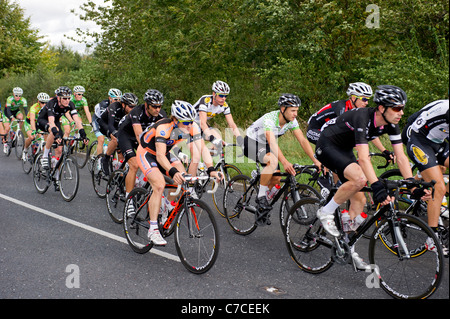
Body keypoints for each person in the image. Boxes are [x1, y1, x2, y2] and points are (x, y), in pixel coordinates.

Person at [314, 85, 430, 269]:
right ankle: (326, 211)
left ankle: (346, 246)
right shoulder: (362, 117)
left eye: (402, 108)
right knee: (360, 179)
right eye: (397, 108)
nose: (401, 113)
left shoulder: (391, 123)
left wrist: (412, 185)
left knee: (359, 201)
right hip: (327, 144)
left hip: (344, 150)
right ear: (382, 108)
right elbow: (363, 158)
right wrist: (376, 186)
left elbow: (400, 156)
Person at [136, 100, 223, 245]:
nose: (188, 126)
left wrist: (212, 170)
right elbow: (159, 156)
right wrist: (173, 171)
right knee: (159, 184)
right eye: (185, 122)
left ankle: (168, 206)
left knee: (185, 178)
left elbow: (202, 149)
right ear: (175, 119)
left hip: (166, 153)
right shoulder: (164, 127)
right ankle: (153, 229)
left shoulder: (192, 127)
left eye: (190, 122)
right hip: (147, 153)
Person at [243, 93, 322, 225]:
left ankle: (263, 193)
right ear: (283, 109)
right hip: (251, 142)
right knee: (272, 161)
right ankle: (261, 196)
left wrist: (316, 160)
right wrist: (285, 162)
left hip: (265, 144)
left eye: (297, 110)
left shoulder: (292, 122)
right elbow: (273, 144)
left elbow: (302, 140)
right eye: (293, 110)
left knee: (276, 178)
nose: (295, 114)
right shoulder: (270, 119)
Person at [402, 99, 449, 255]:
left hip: (438, 141)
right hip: (418, 140)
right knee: (439, 186)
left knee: (440, 186)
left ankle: (434, 192)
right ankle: (432, 238)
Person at [117, 89, 167, 199]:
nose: (157, 109)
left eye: (159, 106)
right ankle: (128, 200)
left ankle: (139, 183)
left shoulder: (161, 114)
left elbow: (164, 135)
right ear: (146, 104)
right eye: (154, 106)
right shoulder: (136, 112)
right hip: (126, 135)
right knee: (134, 164)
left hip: (143, 137)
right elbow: (139, 137)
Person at [37, 86, 89, 169]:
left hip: (55, 120)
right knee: (54, 130)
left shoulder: (70, 104)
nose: (67, 100)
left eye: (68, 98)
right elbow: (51, 122)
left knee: (60, 150)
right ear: (58, 98)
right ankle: (45, 155)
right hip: (43, 120)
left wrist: (83, 134)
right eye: (64, 98)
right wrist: (56, 133)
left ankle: (57, 177)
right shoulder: (51, 103)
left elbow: (77, 120)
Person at [193, 80, 244, 151]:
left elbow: (232, 124)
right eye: (221, 95)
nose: (223, 98)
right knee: (213, 141)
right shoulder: (205, 100)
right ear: (214, 94)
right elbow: (203, 123)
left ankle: (206, 158)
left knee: (219, 143)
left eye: (226, 96)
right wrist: (212, 138)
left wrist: (239, 138)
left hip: (200, 125)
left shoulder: (224, 106)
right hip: (189, 123)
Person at [99, 92, 139, 175]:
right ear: (123, 105)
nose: (133, 109)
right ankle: (105, 159)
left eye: (134, 106)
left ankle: (120, 174)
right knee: (116, 139)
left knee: (121, 149)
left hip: (118, 125)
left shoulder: (133, 113)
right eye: (131, 106)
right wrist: (116, 135)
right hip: (105, 124)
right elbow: (110, 125)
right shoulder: (114, 107)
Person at [92, 88, 122, 156]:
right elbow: (104, 120)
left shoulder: (119, 106)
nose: (118, 101)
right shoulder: (103, 105)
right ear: (110, 98)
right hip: (98, 120)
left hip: (108, 122)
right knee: (101, 139)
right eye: (115, 99)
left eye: (119, 99)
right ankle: (99, 161)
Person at [23, 92, 51, 159]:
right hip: (29, 122)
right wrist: (34, 130)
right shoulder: (34, 107)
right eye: (42, 102)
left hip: (39, 123)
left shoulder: (48, 107)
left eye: (46, 103)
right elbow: (32, 120)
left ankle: (44, 157)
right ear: (38, 101)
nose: (44, 104)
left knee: (45, 139)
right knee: (32, 137)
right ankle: (25, 150)